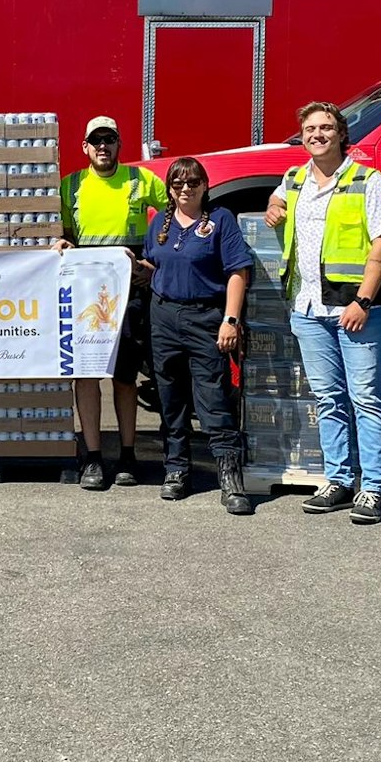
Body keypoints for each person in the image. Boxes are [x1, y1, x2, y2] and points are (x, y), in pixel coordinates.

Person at [263, 101, 381, 525]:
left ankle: (373, 488)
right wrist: (273, 206)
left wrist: (362, 301)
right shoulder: (294, 178)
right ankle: (338, 480)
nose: (317, 134)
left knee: (365, 400)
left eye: (326, 127)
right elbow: (277, 199)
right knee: (328, 399)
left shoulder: (368, 180)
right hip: (307, 308)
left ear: (342, 134)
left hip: (357, 309)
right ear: (301, 136)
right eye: (309, 129)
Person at [56, 115, 169, 490]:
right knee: (86, 374)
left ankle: (127, 455)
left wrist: (156, 258)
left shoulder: (140, 180)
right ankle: (92, 458)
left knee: (124, 377)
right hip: (86, 291)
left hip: (131, 291)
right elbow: (59, 233)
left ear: (119, 144)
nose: (103, 146)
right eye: (96, 141)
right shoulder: (71, 185)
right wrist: (60, 243)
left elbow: (178, 212)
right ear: (84, 147)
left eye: (110, 140)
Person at [149, 157, 255, 513]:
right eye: (177, 183)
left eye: (192, 182)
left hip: (206, 317)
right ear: (169, 188)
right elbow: (153, 265)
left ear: (204, 185)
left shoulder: (220, 220)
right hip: (163, 315)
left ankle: (230, 477)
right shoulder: (160, 224)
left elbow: (238, 271)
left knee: (213, 398)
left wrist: (231, 320)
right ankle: (176, 470)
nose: (185, 189)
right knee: (170, 399)